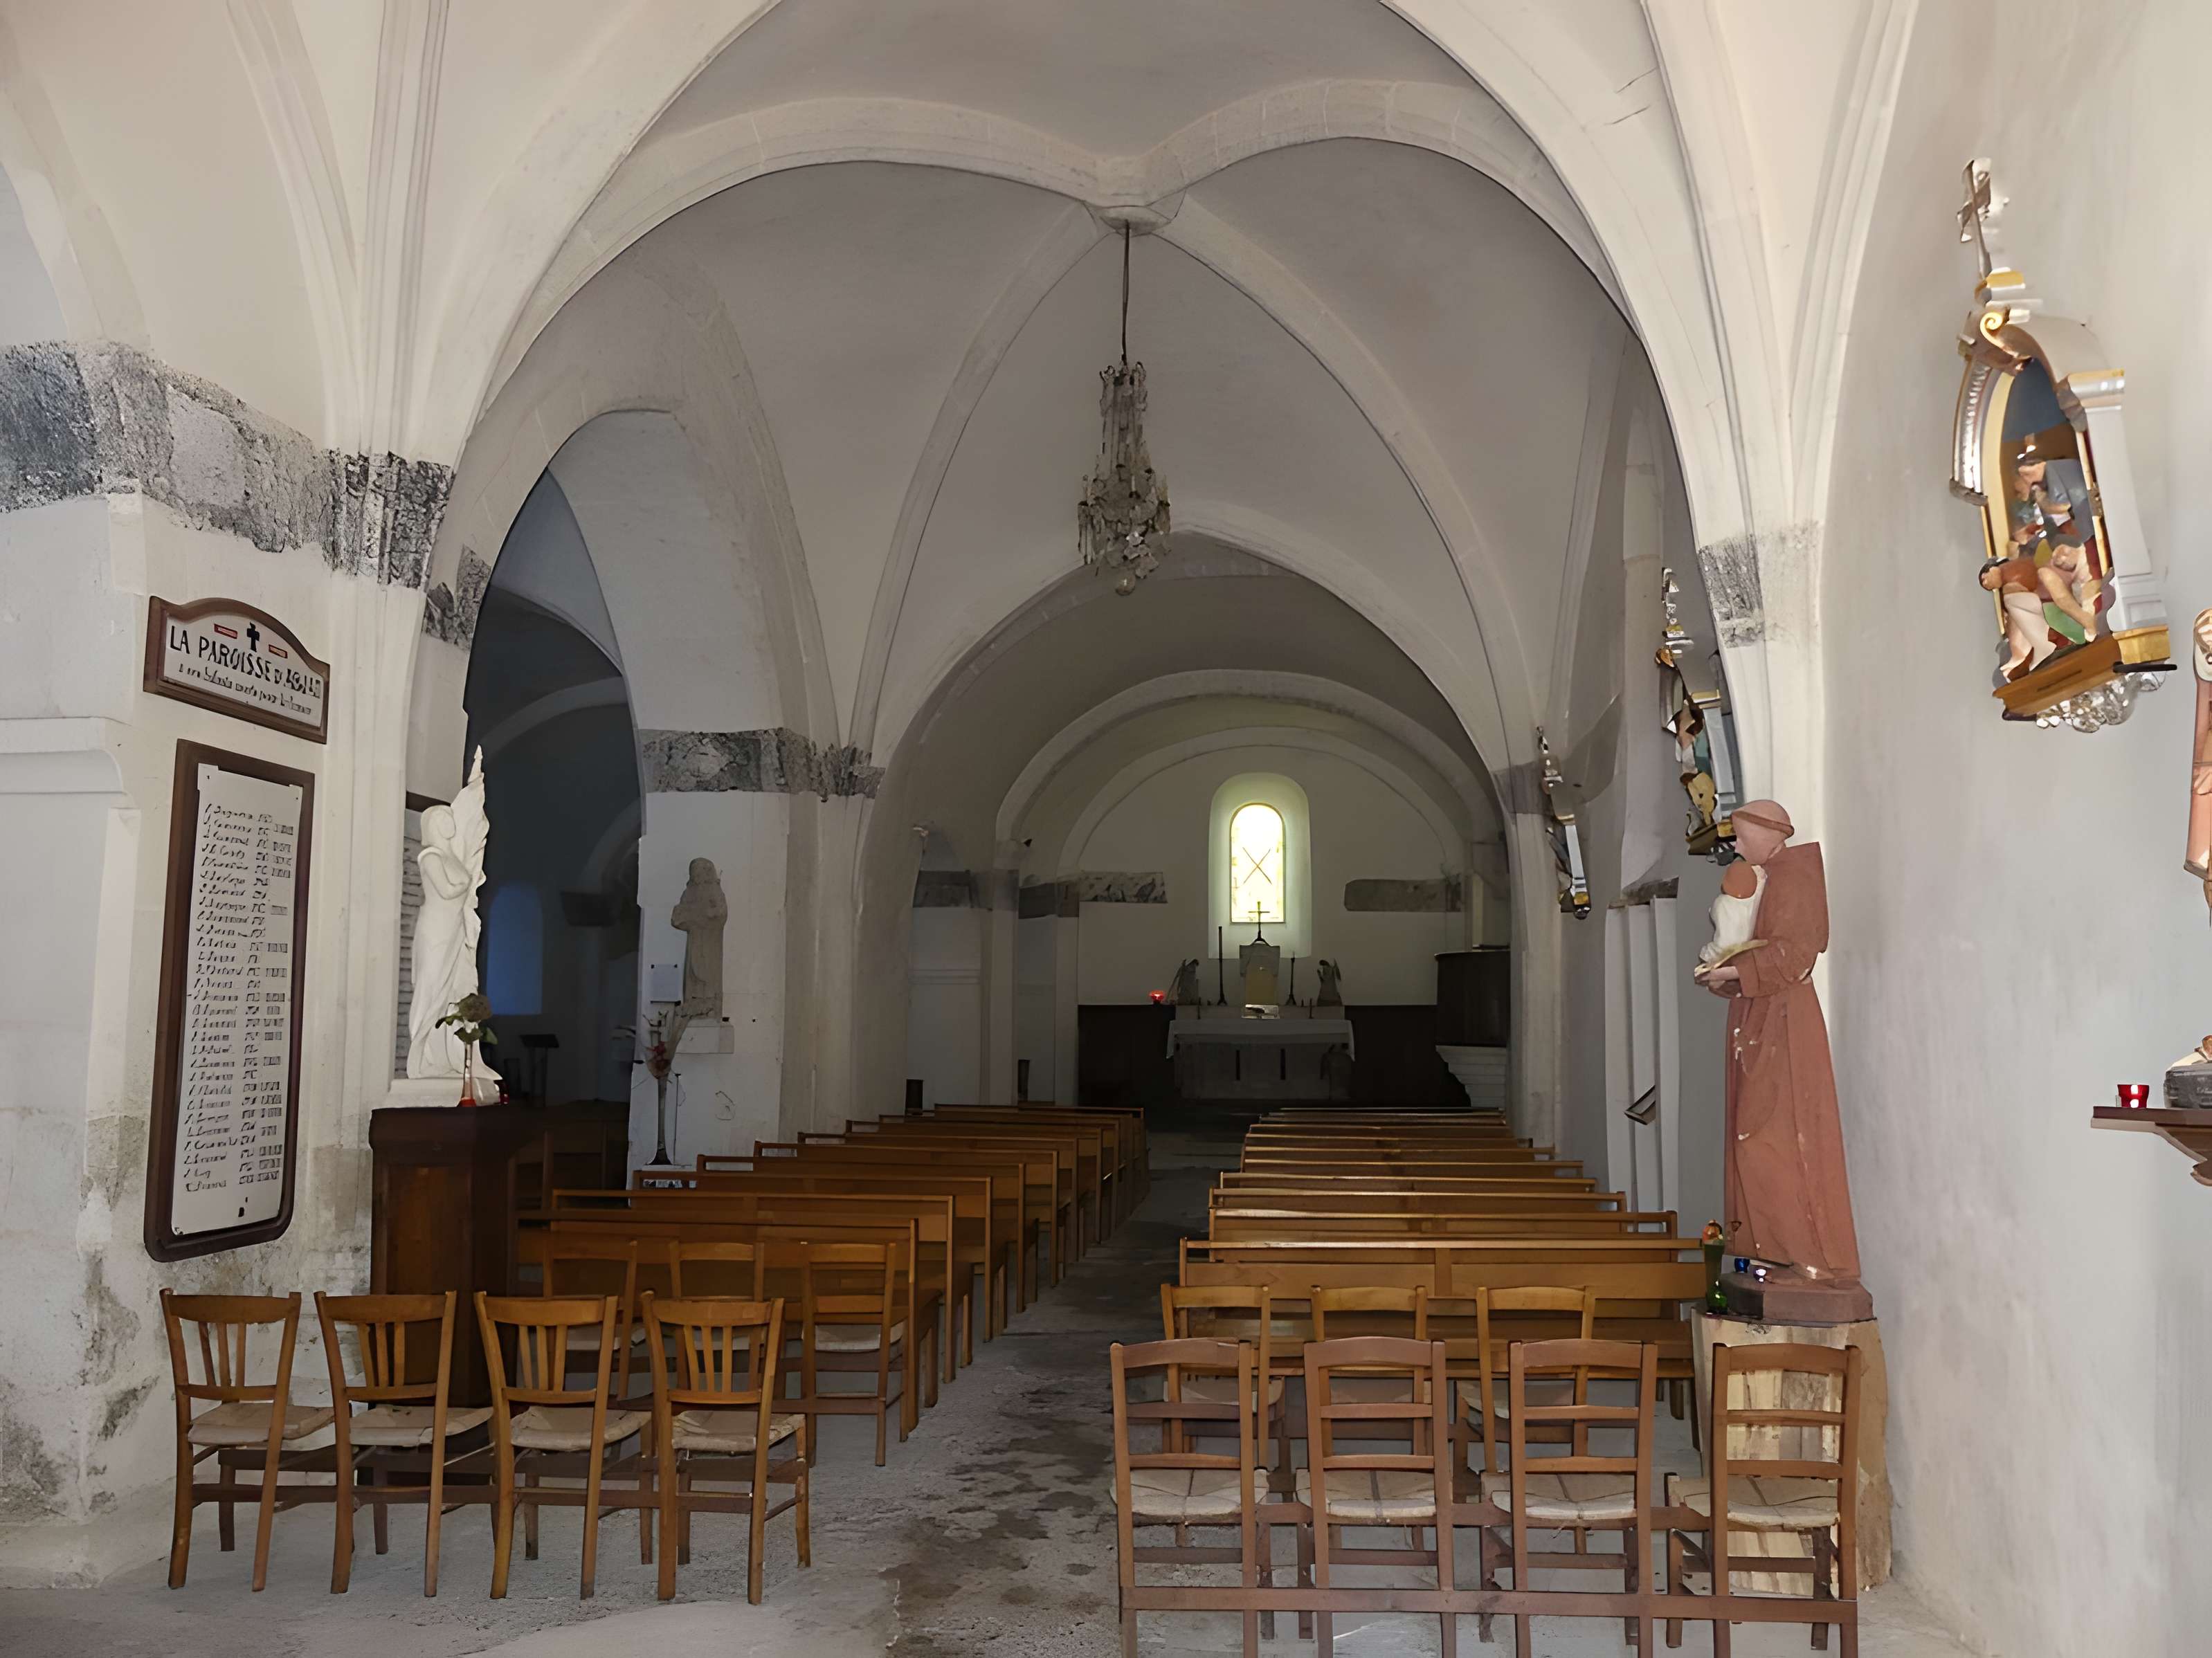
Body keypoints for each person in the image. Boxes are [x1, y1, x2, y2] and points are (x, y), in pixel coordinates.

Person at [1697, 800, 1862, 1286]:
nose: (1738, 846)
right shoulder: (1767, 877)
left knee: (1774, 1137)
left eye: (1744, 837)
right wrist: (1725, 976)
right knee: (1751, 1136)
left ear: (1774, 835)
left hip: (1786, 1021)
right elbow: (1753, 947)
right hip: (1760, 1016)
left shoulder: (1795, 877)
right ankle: (1773, 1249)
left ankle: (1806, 1253)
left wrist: (1733, 971)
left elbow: (1795, 955)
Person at [1980, 545, 2056, 678]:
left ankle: (2040, 646)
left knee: (2012, 598)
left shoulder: (2010, 572)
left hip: (2051, 595)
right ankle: (2025, 652)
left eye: (1984, 578)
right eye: (1986, 586)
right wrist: (2017, 655)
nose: (1986, 583)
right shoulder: (2008, 586)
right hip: (2043, 605)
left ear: (1992, 568)